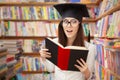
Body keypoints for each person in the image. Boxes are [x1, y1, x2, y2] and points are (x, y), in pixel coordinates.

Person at [40, 3, 96, 80]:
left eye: (74, 22)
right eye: (66, 21)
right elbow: (50, 69)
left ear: (79, 25)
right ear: (62, 24)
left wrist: (86, 72)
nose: (69, 25)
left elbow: (90, 77)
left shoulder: (89, 48)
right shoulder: (54, 43)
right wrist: (43, 58)